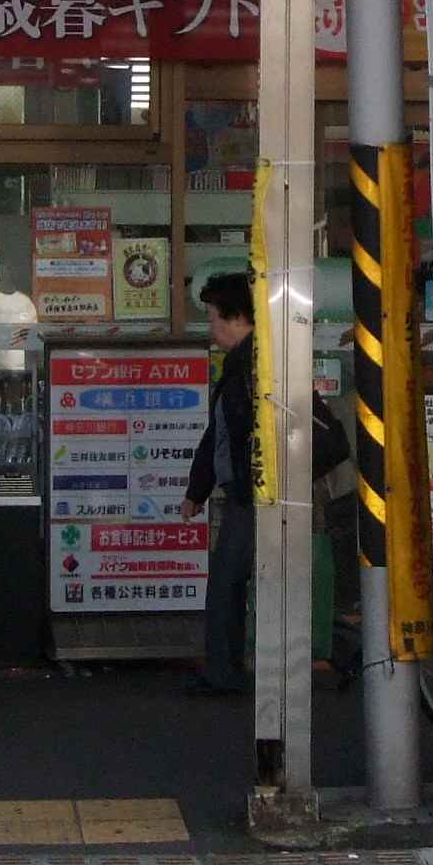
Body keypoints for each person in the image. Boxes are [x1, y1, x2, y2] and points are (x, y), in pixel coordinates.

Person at [183, 272, 258, 699]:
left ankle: (223, 672)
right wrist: (198, 489)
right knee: (234, 580)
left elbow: (225, 435)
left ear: (235, 317)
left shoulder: (251, 366)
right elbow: (219, 435)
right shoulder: (243, 364)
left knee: (228, 580)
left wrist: (199, 489)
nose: (210, 327)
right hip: (248, 491)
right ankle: (225, 668)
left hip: (254, 493)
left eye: (212, 316)